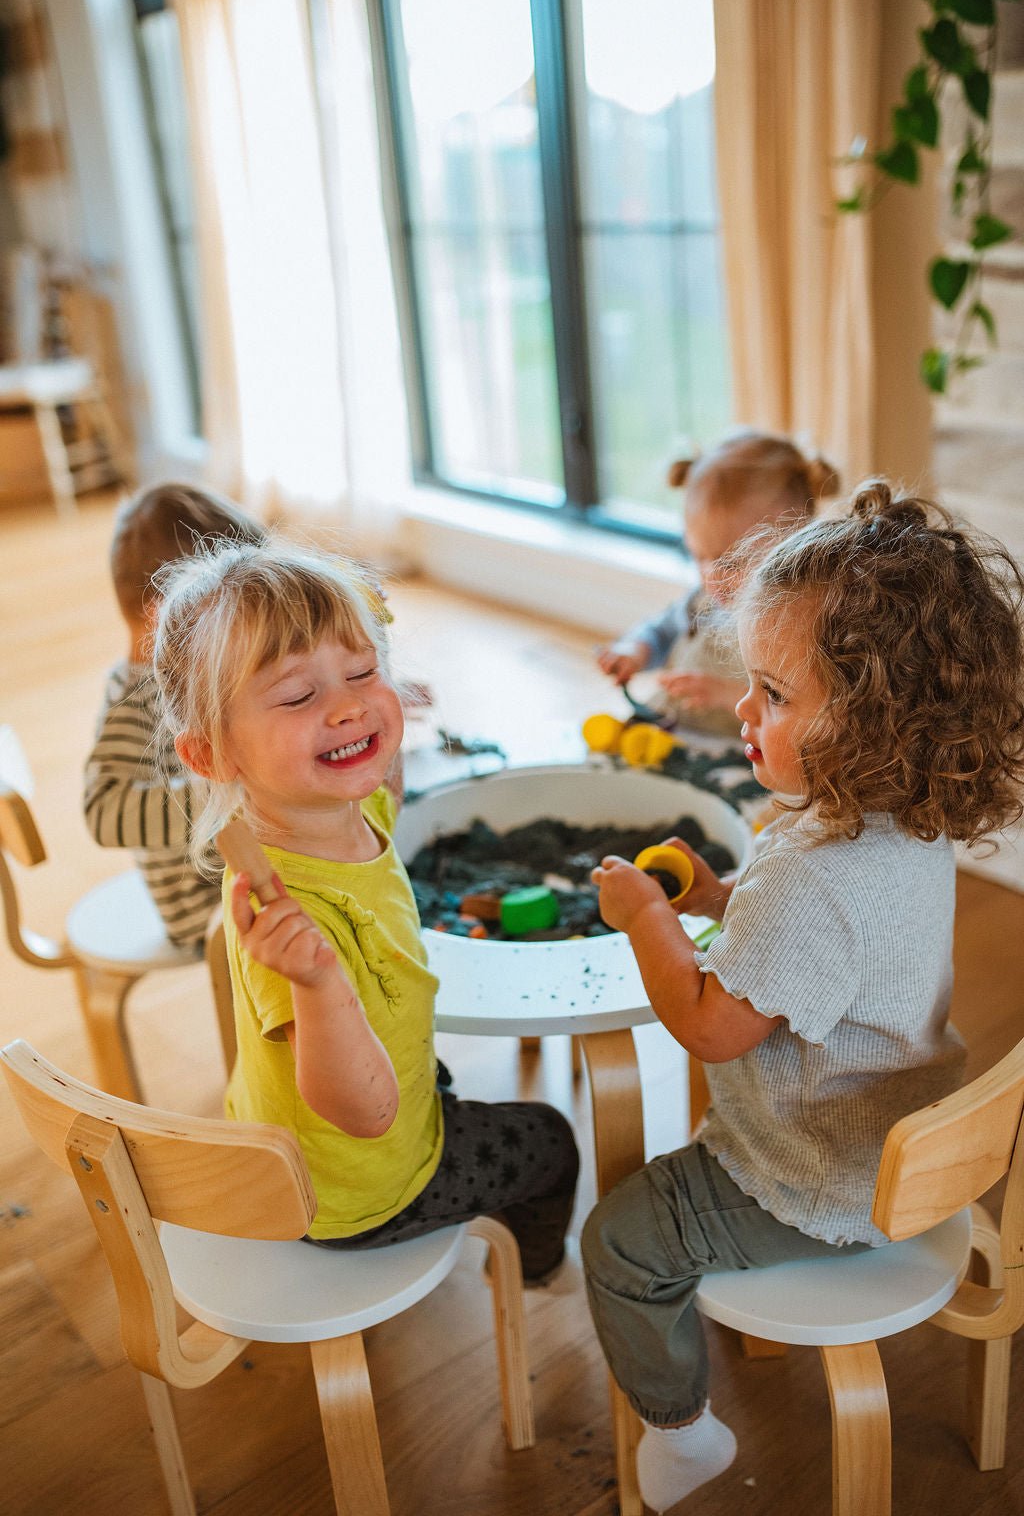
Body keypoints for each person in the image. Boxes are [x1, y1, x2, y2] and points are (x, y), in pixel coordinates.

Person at [581, 479, 1024, 1512]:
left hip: (816, 1179)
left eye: (774, 696)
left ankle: (682, 1433)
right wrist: (715, 897)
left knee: (618, 1245)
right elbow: (818, 949)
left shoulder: (808, 878)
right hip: (897, 1125)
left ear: (869, 727)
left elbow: (711, 1027)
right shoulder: (896, 822)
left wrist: (647, 921)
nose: (743, 709)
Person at [153, 537, 578, 1273]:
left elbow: (382, 771)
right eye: (297, 695)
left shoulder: (329, 803)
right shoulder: (292, 918)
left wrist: (387, 701)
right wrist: (318, 985)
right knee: (551, 1140)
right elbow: (365, 1113)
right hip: (352, 1193)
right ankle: (536, 1270)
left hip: (304, 1137)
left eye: (361, 672)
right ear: (214, 756)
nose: (348, 707)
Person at [83, 481, 266, 952]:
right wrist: (236, 792)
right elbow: (103, 811)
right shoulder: (137, 697)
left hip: (245, 871)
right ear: (165, 612)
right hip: (207, 902)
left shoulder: (204, 668)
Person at [596, 430, 839, 737]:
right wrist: (634, 652)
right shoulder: (703, 602)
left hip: (746, 751)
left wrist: (726, 695)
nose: (712, 576)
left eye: (731, 561)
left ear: (795, 546)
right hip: (676, 728)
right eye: (699, 557)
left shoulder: (796, 627)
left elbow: (801, 711)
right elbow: (661, 631)